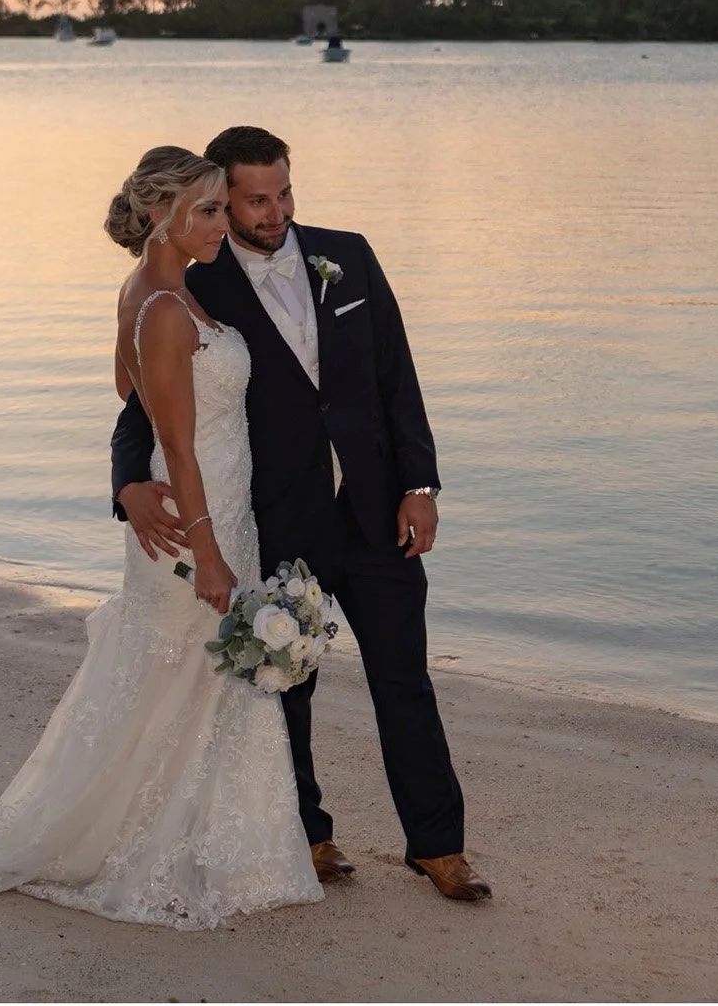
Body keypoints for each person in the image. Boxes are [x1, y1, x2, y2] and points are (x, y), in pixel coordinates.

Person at [0, 147, 320, 927]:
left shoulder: (159, 291)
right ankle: (144, 843)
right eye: (209, 210)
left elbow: (133, 399)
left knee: (188, 682)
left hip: (216, 506)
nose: (223, 224)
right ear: (163, 215)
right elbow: (175, 438)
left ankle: (201, 836)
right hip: (197, 519)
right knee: (172, 680)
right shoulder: (161, 306)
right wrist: (208, 548)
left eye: (223, 208)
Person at [112, 125, 490, 902]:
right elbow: (147, 403)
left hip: (378, 511)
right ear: (223, 197)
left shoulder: (347, 252)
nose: (274, 210)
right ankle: (310, 833)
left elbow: (397, 375)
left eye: (284, 191)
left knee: (405, 678)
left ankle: (439, 844)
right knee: (285, 683)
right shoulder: (200, 279)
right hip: (282, 517)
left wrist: (421, 483)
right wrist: (127, 482)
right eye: (255, 199)